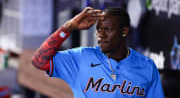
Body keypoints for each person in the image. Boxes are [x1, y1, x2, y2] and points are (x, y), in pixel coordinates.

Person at [31, 7, 165, 98]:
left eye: (108, 29)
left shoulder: (147, 66)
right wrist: (69, 26)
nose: (101, 35)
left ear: (124, 31)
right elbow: (38, 61)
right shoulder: (81, 57)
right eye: (99, 29)